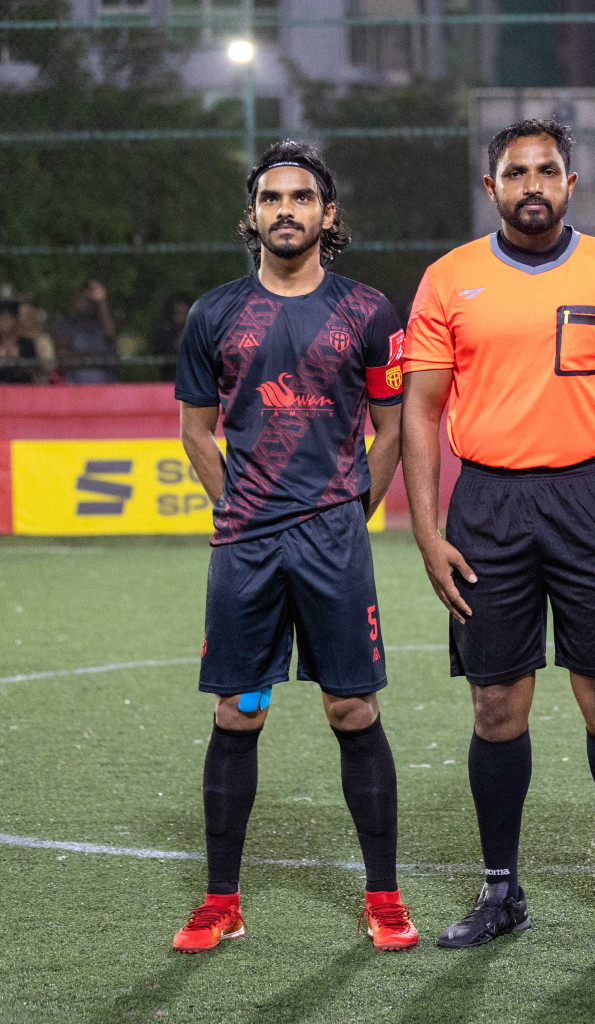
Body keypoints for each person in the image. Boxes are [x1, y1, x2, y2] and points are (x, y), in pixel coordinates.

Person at [401, 119, 595, 948]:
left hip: (594, 499)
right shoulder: (449, 279)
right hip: (486, 505)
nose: (532, 184)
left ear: (570, 182)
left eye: (546, 170)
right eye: (515, 172)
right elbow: (420, 408)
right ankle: (501, 890)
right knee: (494, 707)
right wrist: (428, 530)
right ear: (492, 188)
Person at [171, 140, 416, 953]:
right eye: (272, 198)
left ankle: (383, 897)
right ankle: (220, 900)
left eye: (302, 198)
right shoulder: (213, 314)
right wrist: (237, 503)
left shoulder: (370, 312)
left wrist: (354, 507)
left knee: (353, 706)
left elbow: (390, 428)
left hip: (332, 539)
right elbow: (196, 432)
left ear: (328, 215)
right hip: (245, 544)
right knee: (238, 711)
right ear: (253, 215)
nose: (286, 210)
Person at [148, 293, 194, 382]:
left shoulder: (200, 333)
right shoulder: (163, 334)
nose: (179, 314)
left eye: (182, 312)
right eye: (176, 312)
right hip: (170, 383)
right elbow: (156, 354)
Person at [0, 299, 43, 384]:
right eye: (2, 320)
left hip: (22, 390)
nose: (5, 323)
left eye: (8, 319)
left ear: (16, 320)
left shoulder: (27, 344)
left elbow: (35, 370)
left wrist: (18, 360)